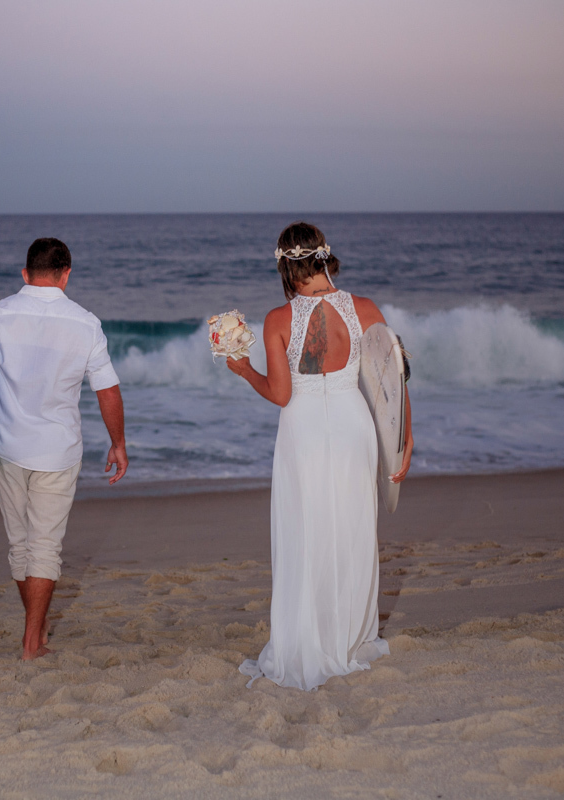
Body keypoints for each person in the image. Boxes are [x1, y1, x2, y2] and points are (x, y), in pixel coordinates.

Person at [227, 221, 413, 690]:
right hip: (354, 426)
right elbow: (395, 381)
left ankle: (308, 638)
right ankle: (350, 639)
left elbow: (282, 394)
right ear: (324, 258)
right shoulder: (365, 308)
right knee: (352, 528)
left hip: (304, 431)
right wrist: (405, 441)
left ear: (286, 268)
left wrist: (245, 370)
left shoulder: (277, 320)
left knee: (305, 532)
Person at [0, 237, 128, 660]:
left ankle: (35, 629)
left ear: (25, 273)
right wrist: (118, 443)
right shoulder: (85, 323)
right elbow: (107, 389)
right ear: (66, 275)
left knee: (21, 545)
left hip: (7, 446)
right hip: (57, 451)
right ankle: (33, 640)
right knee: (45, 548)